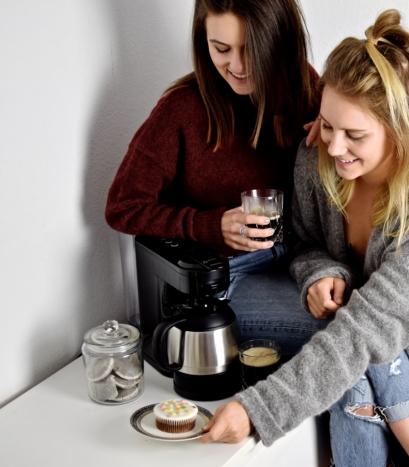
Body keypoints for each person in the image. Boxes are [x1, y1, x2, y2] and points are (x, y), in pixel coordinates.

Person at [200, 9, 409, 467]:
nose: (333, 147)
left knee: (354, 347)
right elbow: (303, 243)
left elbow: (369, 330)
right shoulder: (319, 162)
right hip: (374, 340)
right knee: (315, 334)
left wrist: (259, 412)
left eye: (354, 135)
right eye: (328, 125)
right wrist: (320, 271)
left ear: (400, 131)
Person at [104, 0, 328, 355]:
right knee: (350, 332)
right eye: (221, 49)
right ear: (202, 40)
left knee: (375, 317)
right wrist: (209, 225)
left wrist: (332, 131)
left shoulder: (305, 89)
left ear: (279, 39)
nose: (237, 66)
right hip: (225, 280)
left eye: (251, 49)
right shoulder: (181, 110)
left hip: (298, 260)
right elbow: (122, 208)